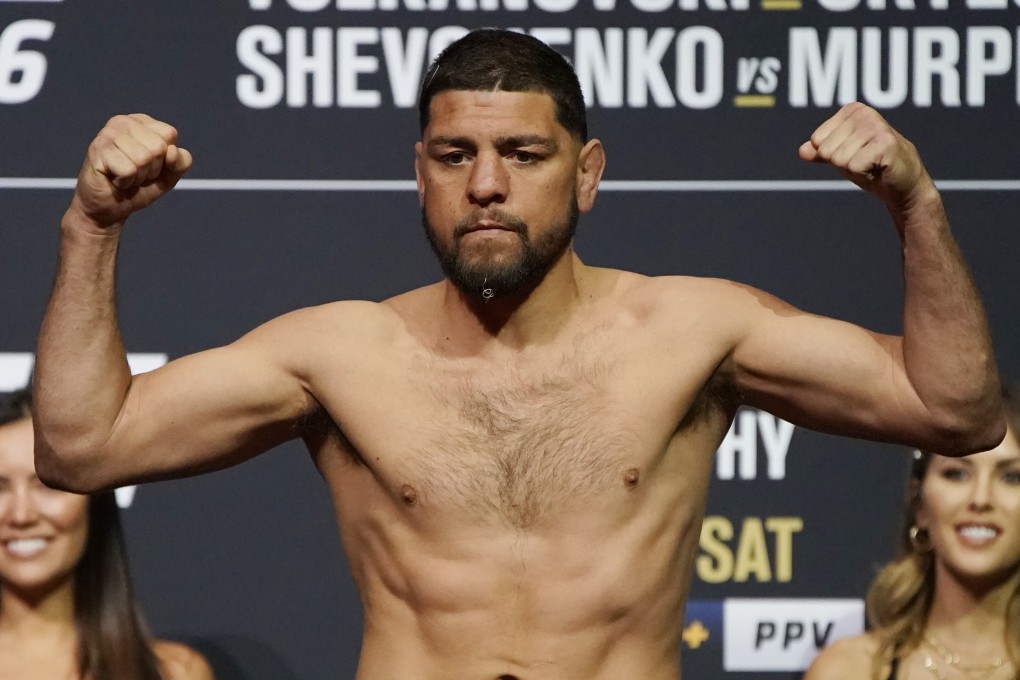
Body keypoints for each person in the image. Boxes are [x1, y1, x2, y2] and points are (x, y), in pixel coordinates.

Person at [32, 28, 1005, 680]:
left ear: (587, 174)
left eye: (525, 156)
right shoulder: (338, 352)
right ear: (419, 172)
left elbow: (954, 409)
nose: (487, 184)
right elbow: (82, 447)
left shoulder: (694, 333)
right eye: (455, 156)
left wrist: (916, 207)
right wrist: (92, 225)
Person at [804, 386, 1020, 680]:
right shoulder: (850, 670)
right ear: (920, 505)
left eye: (1011, 477)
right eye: (956, 473)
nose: (980, 499)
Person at [0, 389, 214, 679]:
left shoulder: (173, 672)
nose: (21, 515)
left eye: (49, 485)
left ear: (94, 500)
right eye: (0, 488)